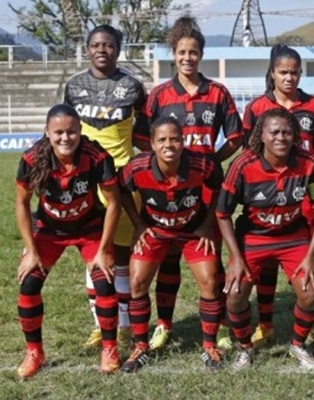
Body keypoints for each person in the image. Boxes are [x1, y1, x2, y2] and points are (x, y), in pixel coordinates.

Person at [140, 16, 243, 351]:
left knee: (209, 258)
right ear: (174, 53)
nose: (188, 58)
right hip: (169, 189)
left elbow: (237, 136)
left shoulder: (217, 93)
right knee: (168, 257)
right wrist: (163, 162)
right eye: (182, 52)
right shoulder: (158, 95)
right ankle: (164, 324)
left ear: (201, 54)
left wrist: (212, 160)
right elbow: (144, 138)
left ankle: (222, 326)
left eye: (194, 52)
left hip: (206, 188)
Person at [217, 108, 314, 370]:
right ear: (262, 136)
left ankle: (297, 345)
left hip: (294, 238)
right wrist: (235, 258)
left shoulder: (309, 163)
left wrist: (311, 255)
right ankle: (246, 348)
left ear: (295, 136)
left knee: (311, 293)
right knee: (234, 295)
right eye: (275, 132)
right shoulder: (243, 165)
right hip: (253, 238)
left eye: (287, 132)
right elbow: (222, 214)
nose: (281, 137)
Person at [15, 104, 121, 378]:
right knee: (28, 284)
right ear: (47, 133)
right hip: (50, 230)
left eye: (71, 132)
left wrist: (103, 248)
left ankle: (110, 348)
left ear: (80, 131)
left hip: (89, 227)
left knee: (104, 281)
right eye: (58, 132)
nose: (65, 138)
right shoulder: (31, 159)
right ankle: (34, 352)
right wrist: (30, 249)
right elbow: (22, 204)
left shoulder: (96, 156)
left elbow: (113, 203)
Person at [118, 116, 225, 373]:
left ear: (183, 141)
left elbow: (219, 188)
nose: (169, 144)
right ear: (152, 144)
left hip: (192, 230)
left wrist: (207, 224)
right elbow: (121, 190)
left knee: (210, 281)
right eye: (162, 139)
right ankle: (140, 345)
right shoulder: (136, 167)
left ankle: (209, 345)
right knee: (137, 281)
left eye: (175, 138)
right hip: (155, 230)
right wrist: (139, 224)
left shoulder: (203, 164)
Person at [64, 24, 148, 348]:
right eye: (96, 44)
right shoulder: (74, 86)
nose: (102, 50)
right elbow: (65, 130)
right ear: (88, 49)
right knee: (94, 253)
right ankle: (101, 325)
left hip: (123, 181)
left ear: (118, 49)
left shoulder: (132, 86)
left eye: (109, 45)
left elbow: (145, 131)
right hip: (85, 180)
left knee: (122, 255)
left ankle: (124, 325)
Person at [242, 44, 314, 347]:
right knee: (265, 262)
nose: (289, 78)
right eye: (283, 72)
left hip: (302, 193)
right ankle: (265, 324)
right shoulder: (255, 108)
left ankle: (313, 321)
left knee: (307, 258)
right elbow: (249, 152)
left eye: (294, 72)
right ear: (272, 73)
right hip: (268, 192)